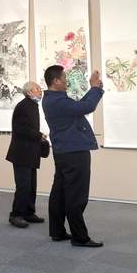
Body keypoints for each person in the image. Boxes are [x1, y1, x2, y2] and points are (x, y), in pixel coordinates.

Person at [42, 66, 104, 248]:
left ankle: (57, 231)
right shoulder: (57, 101)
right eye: (64, 77)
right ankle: (79, 237)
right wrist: (95, 88)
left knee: (60, 193)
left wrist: (93, 90)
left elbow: (79, 108)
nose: (66, 80)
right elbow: (87, 106)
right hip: (74, 152)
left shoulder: (54, 99)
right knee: (76, 195)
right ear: (56, 81)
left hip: (64, 151)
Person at [6, 82, 46, 229]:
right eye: (37, 89)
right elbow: (20, 129)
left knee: (31, 186)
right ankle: (15, 215)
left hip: (31, 153)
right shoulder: (23, 106)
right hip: (21, 153)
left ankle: (29, 212)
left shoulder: (33, 106)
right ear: (29, 92)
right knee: (23, 186)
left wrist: (38, 136)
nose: (40, 91)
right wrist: (39, 135)